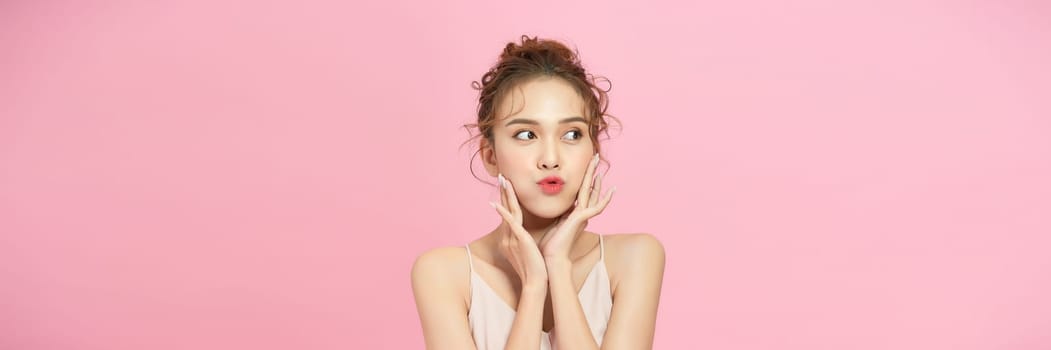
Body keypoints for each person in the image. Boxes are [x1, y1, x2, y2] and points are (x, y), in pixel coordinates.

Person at [411, 35, 665, 350]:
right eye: (526, 134)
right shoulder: (444, 274)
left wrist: (557, 265)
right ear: (490, 156)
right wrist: (533, 287)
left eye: (572, 134)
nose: (551, 159)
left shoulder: (634, 258)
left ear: (594, 149)